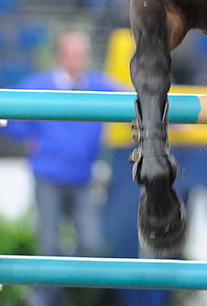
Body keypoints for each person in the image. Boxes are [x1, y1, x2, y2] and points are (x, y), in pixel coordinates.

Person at [2, 29, 120, 306]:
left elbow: (138, 101)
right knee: (49, 244)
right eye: (73, 53)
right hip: (48, 176)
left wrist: (179, 120)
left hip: (82, 177)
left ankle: (51, 292)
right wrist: (27, 139)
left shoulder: (98, 84)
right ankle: (48, 298)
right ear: (61, 55)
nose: (79, 59)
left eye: (83, 53)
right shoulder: (38, 84)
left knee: (90, 243)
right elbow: (9, 110)